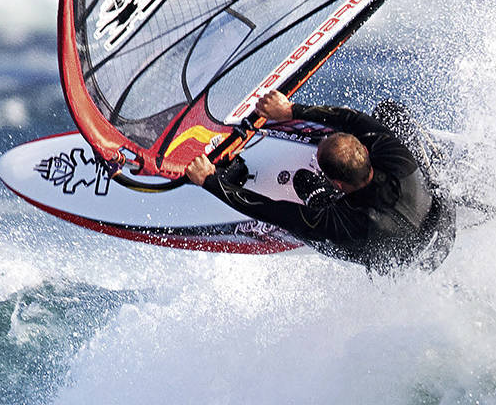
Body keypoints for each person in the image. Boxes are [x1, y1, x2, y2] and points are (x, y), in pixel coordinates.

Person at [185, 90, 453, 272]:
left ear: (336, 183)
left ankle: (242, 174)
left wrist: (210, 180)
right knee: (390, 112)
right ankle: (443, 172)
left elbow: (268, 210)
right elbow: (354, 120)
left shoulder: (337, 222)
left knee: (304, 182)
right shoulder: (397, 158)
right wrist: (291, 110)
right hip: (444, 225)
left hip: (411, 262)